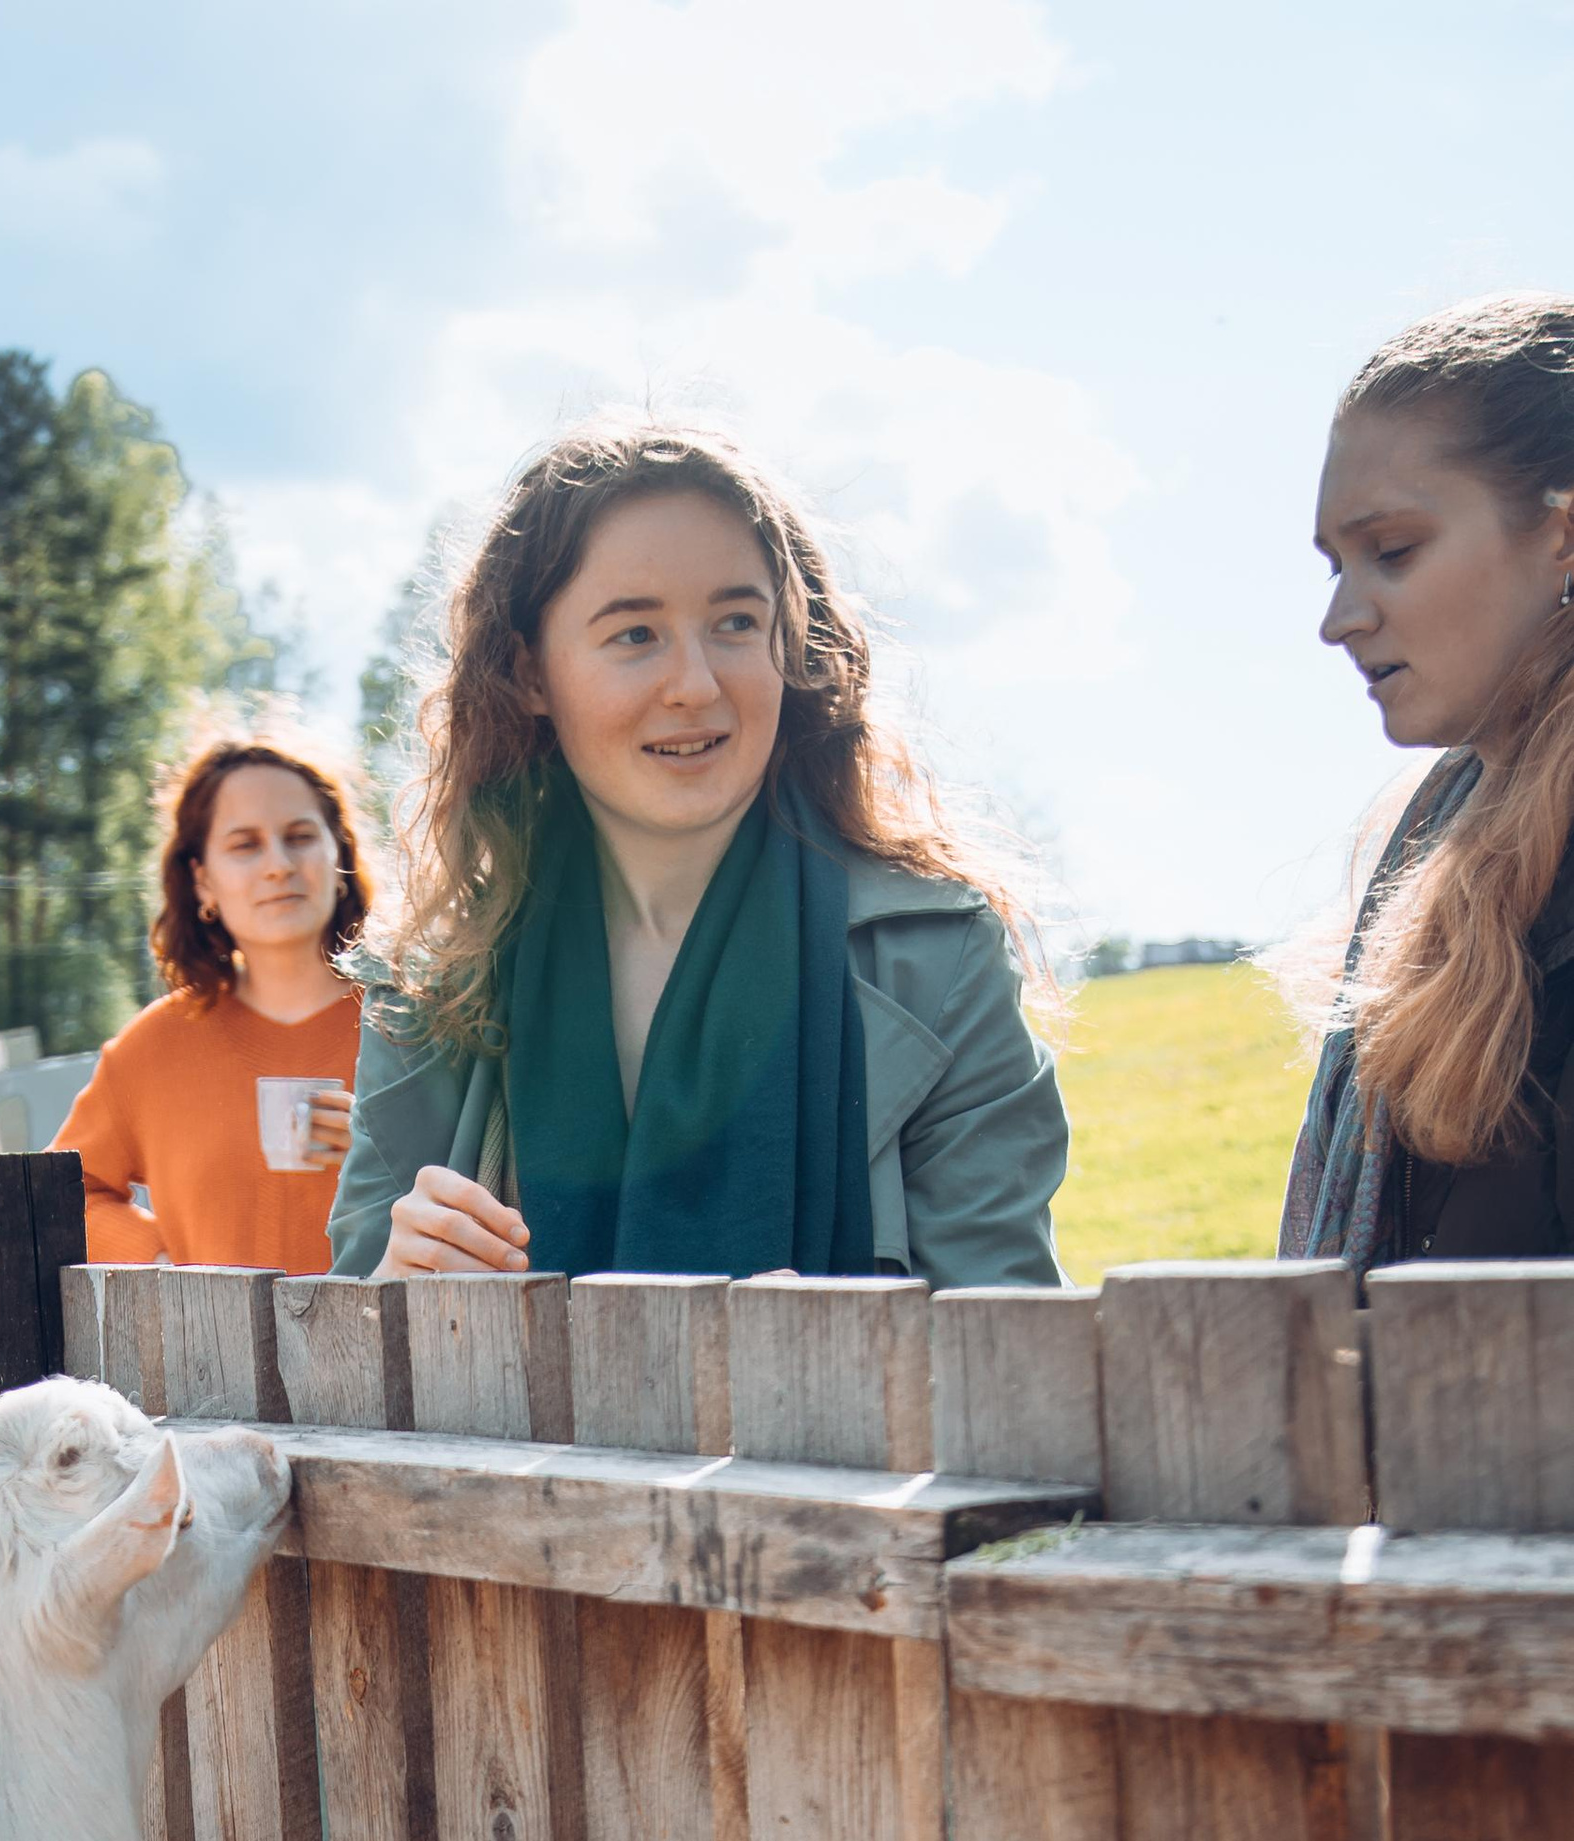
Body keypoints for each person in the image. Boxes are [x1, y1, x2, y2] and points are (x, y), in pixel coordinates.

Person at [328, 425, 1065, 1289]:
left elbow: (1007, 1348)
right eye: (635, 634)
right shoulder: (429, 988)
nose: (697, 684)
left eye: (735, 623)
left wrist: (847, 1352)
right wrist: (387, 1294)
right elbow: (352, 1376)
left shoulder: (939, 962)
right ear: (529, 674)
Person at [1287, 298, 1574, 1266]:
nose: (1339, 619)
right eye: (1335, 566)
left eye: (1393, 552)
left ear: (1563, 538)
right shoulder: (1424, 852)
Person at [57, 735, 371, 1275]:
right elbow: (61, 1196)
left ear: (338, 853)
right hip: (208, 1357)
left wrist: (388, 1155)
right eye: (245, 845)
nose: (278, 865)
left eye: (299, 836)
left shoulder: (417, 1027)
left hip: (396, 1348)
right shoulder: (154, 1048)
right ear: (203, 879)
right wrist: (160, 1258)